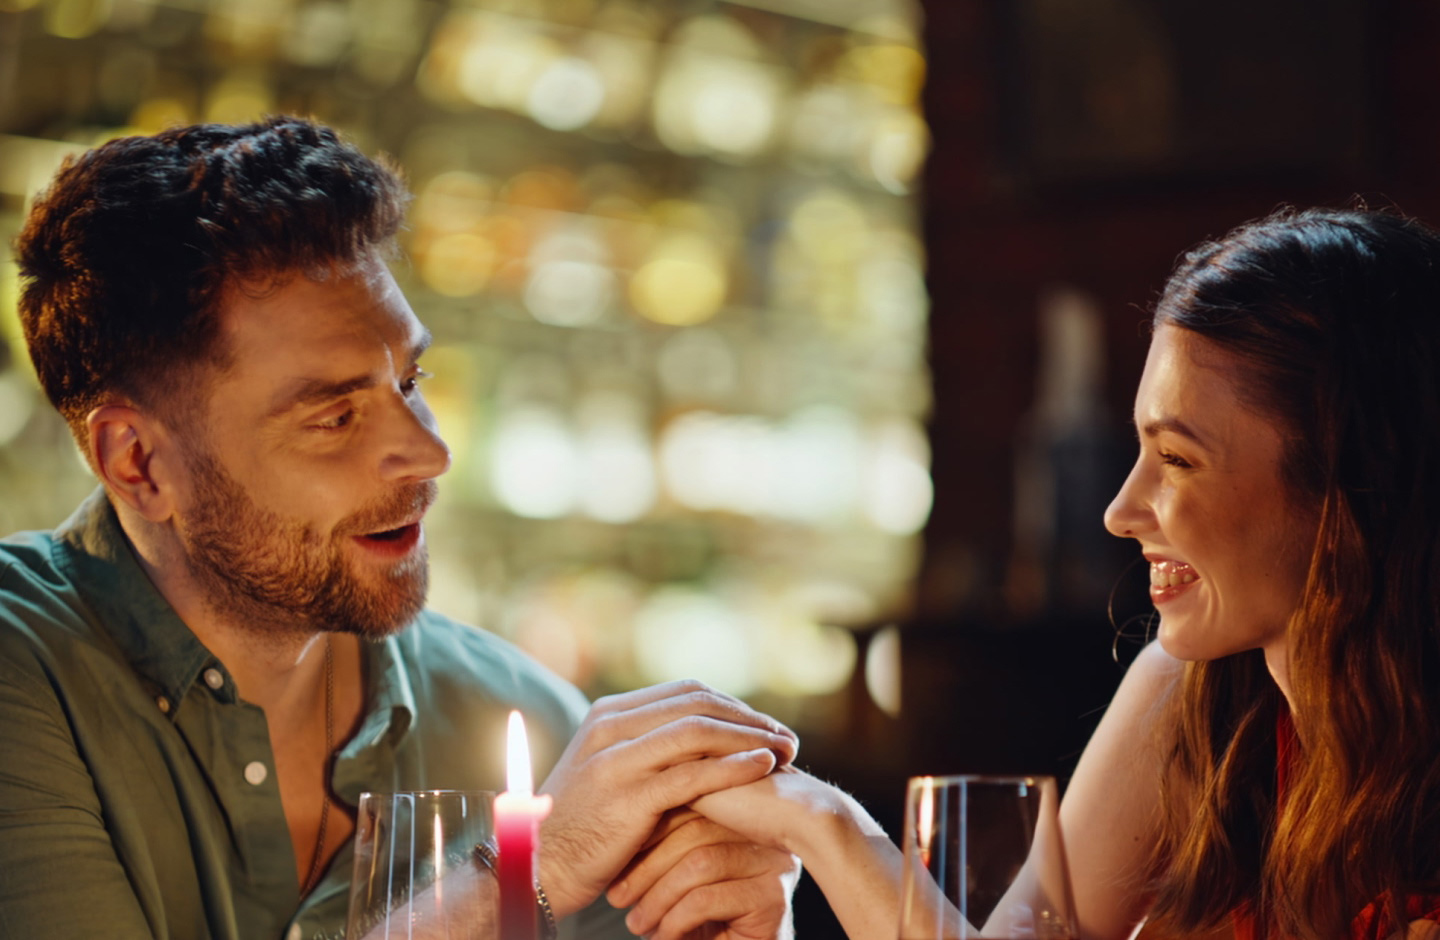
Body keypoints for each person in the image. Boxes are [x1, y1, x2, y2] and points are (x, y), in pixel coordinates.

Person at [0, 116, 802, 940]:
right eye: (336, 416)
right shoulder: (24, 676)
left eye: (411, 380)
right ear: (138, 463)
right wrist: (522, 876)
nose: (429, 452)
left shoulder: (526, 717)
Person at [635, 206, 1440, 940]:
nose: (1122, 510)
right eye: (1140, 451)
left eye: (1177, 459)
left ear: (1349, 486)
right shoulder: (1190, 698)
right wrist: (828, 826)